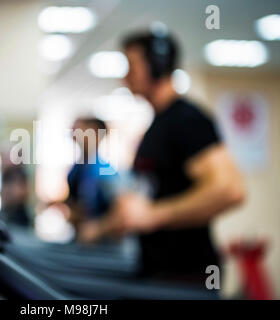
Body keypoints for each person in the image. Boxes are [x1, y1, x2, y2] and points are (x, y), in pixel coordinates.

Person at [79, 30, 246, 283]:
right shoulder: (158, 125)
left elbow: (230, 190)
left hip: (187, 274)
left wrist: (156, 214)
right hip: (158, 269)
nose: (125, 77)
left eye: (131, 66)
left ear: (156, 66)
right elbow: (144, 205)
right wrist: (101, 227)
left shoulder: (187, 120)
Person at [65, 117, 117, 230]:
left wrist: (99, 228)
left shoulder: (105, 171)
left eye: (80, 129)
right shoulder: (76, 169)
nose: (73, 133)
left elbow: (119, 210)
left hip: (102, 242)